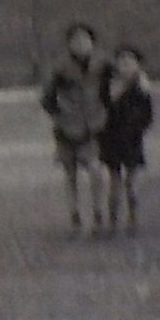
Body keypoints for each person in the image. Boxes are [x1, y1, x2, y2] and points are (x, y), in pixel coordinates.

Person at [40, 22, 109, 235]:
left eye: (85, 39)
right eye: (75, 40)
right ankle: (74, 214)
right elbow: (47, 99)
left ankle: (98, 212)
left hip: (93, 126)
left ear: (92, 42)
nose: (80, 44)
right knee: (70, 174)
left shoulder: (102, 65)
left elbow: (120, 80)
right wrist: (61, 114)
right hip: (67, 128)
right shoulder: (60, 69)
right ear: (69, 44)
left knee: (96, 170)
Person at [98, 45, 154, 236]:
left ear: (138, 65)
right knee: (114, 182)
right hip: (111, 139)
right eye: (122, 61)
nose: (126, 65)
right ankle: (112, 221)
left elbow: (148, 115)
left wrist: (137, 129)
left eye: (130, 62)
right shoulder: (108, 84)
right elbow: (101, 108)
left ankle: (133, 219)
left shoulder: (142, 88)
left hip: (132, 140)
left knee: (131, 182)